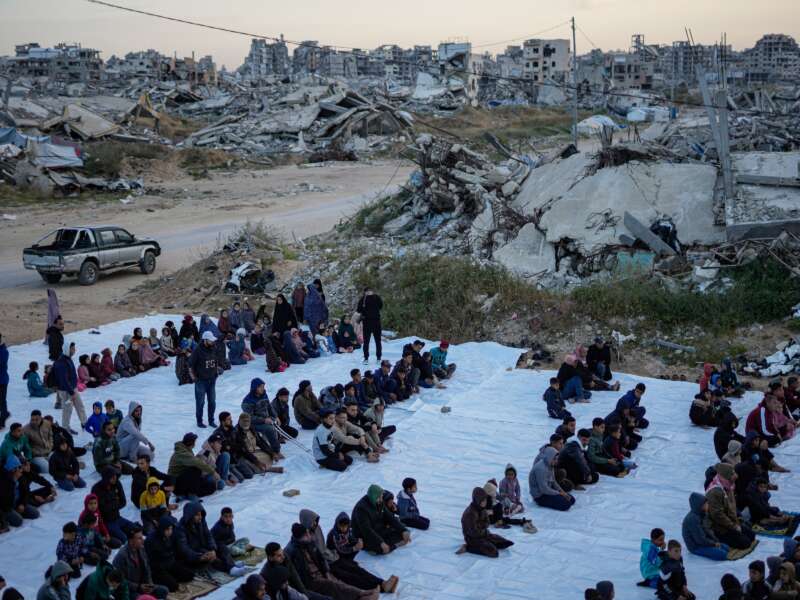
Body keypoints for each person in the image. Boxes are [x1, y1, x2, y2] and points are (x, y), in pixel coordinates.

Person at [285, 523, 377, 600]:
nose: (309, 536)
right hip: (310, 580)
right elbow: (296, 574)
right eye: (306, 535)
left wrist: (326, 570)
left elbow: (320, 557)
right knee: (333, 586)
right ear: (299, 538)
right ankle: (360, 596)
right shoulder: (292, 551)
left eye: (308, 533)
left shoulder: (308, 542)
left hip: (319, 572)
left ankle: (361, 593)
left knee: (338, 581)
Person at [324, 512, 399, 594]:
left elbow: (351, 539)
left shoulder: (347, 532)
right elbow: (341, 549)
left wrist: (358, 542)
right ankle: (381, 587)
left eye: (345, 526)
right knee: (352, 577)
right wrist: (354, 548)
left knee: (360, 571)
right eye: (341, 526)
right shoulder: (334, 535)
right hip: (334, 561)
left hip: (341, 558)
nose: (343, 528)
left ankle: (382, 583)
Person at [174, 502, 246, 577]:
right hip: (194, 553)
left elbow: (208, 535)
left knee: (221, 547)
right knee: (211, 558)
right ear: (190, 516)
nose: (200, 517)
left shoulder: (201, 521)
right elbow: (184, 549)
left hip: (203, 547)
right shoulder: (180, 529)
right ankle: (231, 568)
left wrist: (212, 548)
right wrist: (200, 556)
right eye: (197, 515)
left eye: (200, 514)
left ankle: (231, 565)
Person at [706, 463, 756, 550]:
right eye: (732, 474)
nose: (735, 476)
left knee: (752, 536)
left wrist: (737, 521)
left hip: (731, 521)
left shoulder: (728, 486)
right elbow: (717, 515)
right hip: (719, 527)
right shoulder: (715, 492)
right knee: (745, 543)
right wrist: (733, 526)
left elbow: (731, 507)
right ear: (726, 475)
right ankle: (718, 539)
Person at [113, 526, 169, 599]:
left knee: (164, 590)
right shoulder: (121, 556)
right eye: (139, 538)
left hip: (142, 585)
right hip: (129, 590)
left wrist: (150, 583)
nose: (143, 540)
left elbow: (147, 568)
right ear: (131, 540)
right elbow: (119, 581)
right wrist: (138, 587)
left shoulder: (141, 549)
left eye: (142, 537)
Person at [351, 484, 410, 555]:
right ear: (374, 496)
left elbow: (390, 517)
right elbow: (366, 530)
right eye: (379, 497)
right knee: (381, 548)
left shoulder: (379, 502)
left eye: (381, 496)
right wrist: (381, 542)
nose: (381, 498)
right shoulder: (361, 509)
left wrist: (403, 530)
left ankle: (387, 546)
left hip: (378, 528)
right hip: (364, 535)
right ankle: (382, 547)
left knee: (401, 534)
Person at [261, 542, 329, 600]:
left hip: (297, 591)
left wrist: (305, 594)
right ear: (270, 558)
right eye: (279, 556)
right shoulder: (266, 574)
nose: (283, 557)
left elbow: (295, 578)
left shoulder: (285, 559)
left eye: (282, 553)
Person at [458, 486, 513, 558]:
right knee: (493, 552)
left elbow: (487, 522)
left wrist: (480, 525)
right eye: (483, 500)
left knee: (504, 542)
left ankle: (488, 543)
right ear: (478, 500)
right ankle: (468, 547)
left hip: (484, 533)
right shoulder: (470, 513)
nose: (485, 502)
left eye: (485, 500)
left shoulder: (482, 508)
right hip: (472, 538)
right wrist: (483, 527)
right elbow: (474, 532)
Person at [145, 515, 194, 593]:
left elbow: (174, 552)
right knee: (174, 586)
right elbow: (152, 561)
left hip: (170, 563)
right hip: (158, 569)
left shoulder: (170, 536)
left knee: (189, 575)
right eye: (167, 529)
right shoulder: (151, 540)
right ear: (162, 529)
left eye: (171, 529)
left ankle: (171, 578)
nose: (170, 531)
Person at [91, 466, 135, 546]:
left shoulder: (117, 483)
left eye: (115, 476)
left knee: (135, 530)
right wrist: (115, 503)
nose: (115, 478)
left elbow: (123, 502)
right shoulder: (96, 489)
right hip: (107, 521)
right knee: (124, 539)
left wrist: (111, 505)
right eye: (113, 477)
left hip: (117, 517)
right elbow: (101, 509)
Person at [167, 433, 218, 498]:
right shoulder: (182, 453)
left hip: (184, 481)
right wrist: (213, 472)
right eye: (194, 441)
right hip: (177, 486)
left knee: (211, 487)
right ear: (191, 443)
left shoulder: (185, 450)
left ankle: (191, 492)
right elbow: (198, 463)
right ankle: (191, 494)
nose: (195, 443)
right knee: (196, 469)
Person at [242, 378, 283, 457]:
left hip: (266, 419)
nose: (262, 389)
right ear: (255, 388)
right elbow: (250, 417)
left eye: (263, 386)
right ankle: (276, 450)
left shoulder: (264, 395)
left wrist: (276, 416)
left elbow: (269, 407)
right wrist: (264, 420)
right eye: (260, 387)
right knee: (270, 429)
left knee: (277, 423)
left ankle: (276, 440)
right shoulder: (247, 401)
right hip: (253, 423)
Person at [53, 343, 87, 434]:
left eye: (74, 348)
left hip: (72, 388)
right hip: (66, 390)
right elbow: (63, 380)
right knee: (67, 410)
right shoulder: (61, 362)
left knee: (80, 406)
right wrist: (71, 392)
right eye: (72, 348)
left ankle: (85, 423)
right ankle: (65, 428)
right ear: (67, 349)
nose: (74, 350)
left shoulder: (67, 359)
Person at [529, 446, 575, 511]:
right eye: (554, 459)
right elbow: (544, 489)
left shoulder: (550, 464)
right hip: (540, 495)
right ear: (549, 457)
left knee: (571, 499)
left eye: (557, 459)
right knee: (566, 504)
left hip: (548, 490)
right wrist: (559, 493)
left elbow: (553, 481)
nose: (556, 461)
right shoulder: (541, 468)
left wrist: (562, 492)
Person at [189, 331, 219, 428]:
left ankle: (211, 420)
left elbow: (215, 360)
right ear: (205, 340)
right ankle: (199, 421)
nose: (213, 342)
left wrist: (216, 372)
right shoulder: (197, 350)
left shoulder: (214, 348)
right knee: (200, 403)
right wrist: (194, 378)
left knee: (212, 402)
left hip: (212, 380)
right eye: (210, 340)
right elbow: (190, 365)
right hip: (201, 381)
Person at [1, 455, 40, 527]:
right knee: (18, 521)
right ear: (12, 469)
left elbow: (26, 492)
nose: (21, 469)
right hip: (6, 507)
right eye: (18, 467)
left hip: (17, 503)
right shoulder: (4, 481)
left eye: (20, 467)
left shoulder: (21, 477)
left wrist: (22, 504)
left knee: (35, 513)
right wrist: (13, 482)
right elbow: (5, 502)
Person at [357, 288, 383, 364]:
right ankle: (368, 358)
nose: (369, 292)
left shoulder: (373, 298)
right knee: (369, 342)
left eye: (370, 291)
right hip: (371, 322)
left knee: (376, 341)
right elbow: (381, 306)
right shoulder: (366, 299)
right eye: (368, 291)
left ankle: (377, 358)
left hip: (372, 322)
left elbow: (359, 310)